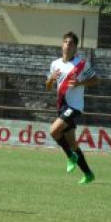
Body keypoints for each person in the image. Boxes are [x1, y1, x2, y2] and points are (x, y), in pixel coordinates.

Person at [46, 31, 99, 185]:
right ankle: (88, 174)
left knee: (54, 130)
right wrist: (51, 79)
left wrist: (80, 83)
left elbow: (96, 80)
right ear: (62, 44)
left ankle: (70, 156)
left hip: (74, 106)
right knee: (72, 142)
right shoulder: (55, 64)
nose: (67, 45)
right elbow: (48, 86)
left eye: (71, 43)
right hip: (61, 106)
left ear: (75, 48)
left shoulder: (81, 64)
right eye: (66, 42)